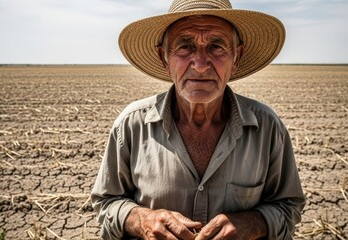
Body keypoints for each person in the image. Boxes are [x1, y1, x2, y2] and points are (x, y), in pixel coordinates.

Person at [91, 0, 305, 239]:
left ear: (236, 57)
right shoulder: (132, 125)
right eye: (185, 46)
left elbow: (288, 206)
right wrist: (141, 219)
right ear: (164, 58)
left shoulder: (267, 128)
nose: (201, 65)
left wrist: (252, 223)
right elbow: (106, 202)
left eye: (216, 46)